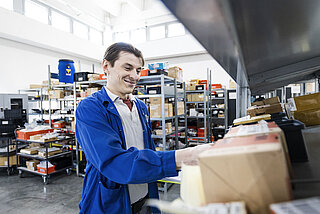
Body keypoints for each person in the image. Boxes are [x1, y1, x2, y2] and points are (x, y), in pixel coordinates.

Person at [75, 42, 212, 214]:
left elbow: (146, 149)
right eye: (127, 68)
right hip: (111, 203)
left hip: (145, 196)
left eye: (138, 70)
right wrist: (184, 156)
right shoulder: (90, 108)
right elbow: (115, 162)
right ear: (106, 66)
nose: (134, 76)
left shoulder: (140, 106)